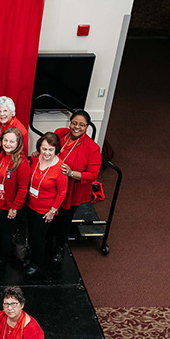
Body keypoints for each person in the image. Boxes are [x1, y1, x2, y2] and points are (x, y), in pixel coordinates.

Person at [52, 110, 102, 262]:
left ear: (87, 127)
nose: (77, 127)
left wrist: (71, 173)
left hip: (72, 189)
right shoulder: (60, 134)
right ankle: (47, 242)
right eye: (74, 123)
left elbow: (93, 175)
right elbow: (48, 147)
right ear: (70, 122)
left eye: (82, 125)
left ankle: (60, 246)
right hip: (53, 184)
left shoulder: (92, 148)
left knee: (64, 219)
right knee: (49, 215)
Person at [0, 127, 30, 267]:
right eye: (5, 140)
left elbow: (23, 189)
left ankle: (3, 256)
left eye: (12, 141)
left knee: (6, 232)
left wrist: (15, 208)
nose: (8, 144)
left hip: (9, 205)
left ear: (18, 144)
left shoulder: (21, 162)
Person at [24, 132, 68, 276]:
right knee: (30, 234)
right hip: (30, 205)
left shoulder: (60, 168)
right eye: (44, 149)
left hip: (45, 210)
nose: (47, 152)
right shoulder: (35, 159)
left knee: (38, 237)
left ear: (56, 149)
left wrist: (52, 211)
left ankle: (36, 262)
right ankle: (30, 256)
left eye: (50, 149)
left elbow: (62, 192)